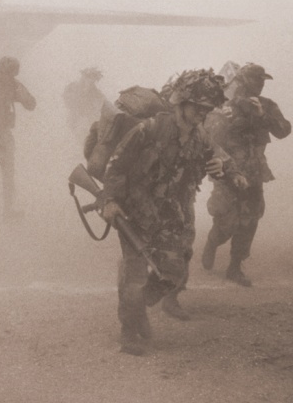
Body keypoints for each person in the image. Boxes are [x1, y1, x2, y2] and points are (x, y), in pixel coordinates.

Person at [101, 68, 246, 356]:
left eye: (206, 109)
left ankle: (138, 308)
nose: (201, 114)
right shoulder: (151, 128)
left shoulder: (199, 137)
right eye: (198, 108)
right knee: (134, 274)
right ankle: (129, 330)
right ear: (182, 102)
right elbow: (116, 165)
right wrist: (110, 200)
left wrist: (227, 172)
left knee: (173, 271)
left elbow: (220, 158)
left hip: (170, 216)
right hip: (136, 212)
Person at [202, 63, 290, 286]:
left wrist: (262, 116)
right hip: (228, 172)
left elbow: (284, 130)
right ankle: (213, 242)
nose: (259, 85)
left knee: (250, 220)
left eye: (262, 81)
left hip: (255, 172)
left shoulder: (267, 105)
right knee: (226, 221)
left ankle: (235, 267)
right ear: (242, 81)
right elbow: (209, 136)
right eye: (255, 80)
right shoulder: (223, 106)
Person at [0, 56, 36, 219]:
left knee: (8, 171)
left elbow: (31, 104)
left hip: (1, 131)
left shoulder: (13, 85)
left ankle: (8, 209)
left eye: (11, 74)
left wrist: (21, 94)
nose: (7, 77)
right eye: (6, 73)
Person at [63, 67, 109, 142]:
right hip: (75, 118)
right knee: (76, 136)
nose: (91, 81)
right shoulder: (72, 87)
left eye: (93, 79)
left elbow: (104, 103)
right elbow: (66, 99)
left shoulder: (96, 93)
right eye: (89, 77)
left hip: (88, 120)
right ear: (84, 77)